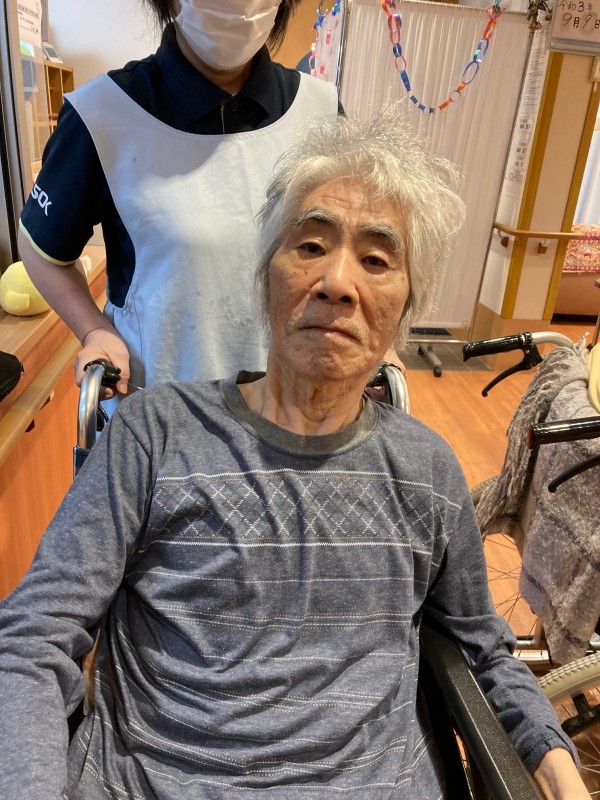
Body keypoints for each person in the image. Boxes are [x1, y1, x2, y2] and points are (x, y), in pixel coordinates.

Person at [0, 108, 588, 800]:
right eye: (310, 245)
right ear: (265, 280)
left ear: (402, 312)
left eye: (376, 260)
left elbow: (483, 650)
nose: (337, 282)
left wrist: (556, 765)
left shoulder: (426, 471)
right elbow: (33, 637)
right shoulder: (154, 434)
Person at [18, 0, 339, 396]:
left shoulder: (321, 112)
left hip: (294, 406)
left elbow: (354, 252)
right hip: (155, 407)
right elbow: (42, 249)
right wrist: (94, 330)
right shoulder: (103, 113)